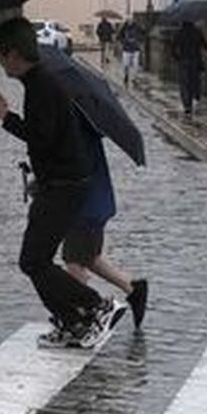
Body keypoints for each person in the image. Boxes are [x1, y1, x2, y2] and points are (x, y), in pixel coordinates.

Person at [0, 17, 127, 350]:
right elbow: (49, 139)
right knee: (37, 260)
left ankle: (95, 306)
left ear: (15, 55)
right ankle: (72, 322)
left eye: (0, 56)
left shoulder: (42, 87)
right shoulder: (39, 83)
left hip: (64, 186)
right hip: (60, 182)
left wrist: (4, 117)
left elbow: (41, 139)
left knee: (33, 260)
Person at [62, 124, 149, 329]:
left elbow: (69, 167)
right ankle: (133, 288)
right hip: (95, 203)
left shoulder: (74, 131)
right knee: (90, 257)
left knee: (74, 261)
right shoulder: (85, 127)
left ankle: (86, 313)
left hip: (83, 207)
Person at [170, 19, 207, 115]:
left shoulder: (179, 33)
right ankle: (196, 97)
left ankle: (187, 105)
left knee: (184, 84)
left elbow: (173, 48)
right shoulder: (197, 32)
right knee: (195, 81)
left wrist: (178, 58)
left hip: (184, 61)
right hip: (195, 61)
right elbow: (204, 45)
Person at [118, 20, 143, 87]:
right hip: (126, 49)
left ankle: (135, 78)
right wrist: (123, 42)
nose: (130, 21)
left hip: (135, 49)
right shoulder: (124, 28)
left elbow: (142, 34)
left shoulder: (137, 27)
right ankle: (126, 75)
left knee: (135, 65)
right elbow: (119, 36)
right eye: (129, 20)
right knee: (126, 65)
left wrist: (139, 42)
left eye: (131, 20)